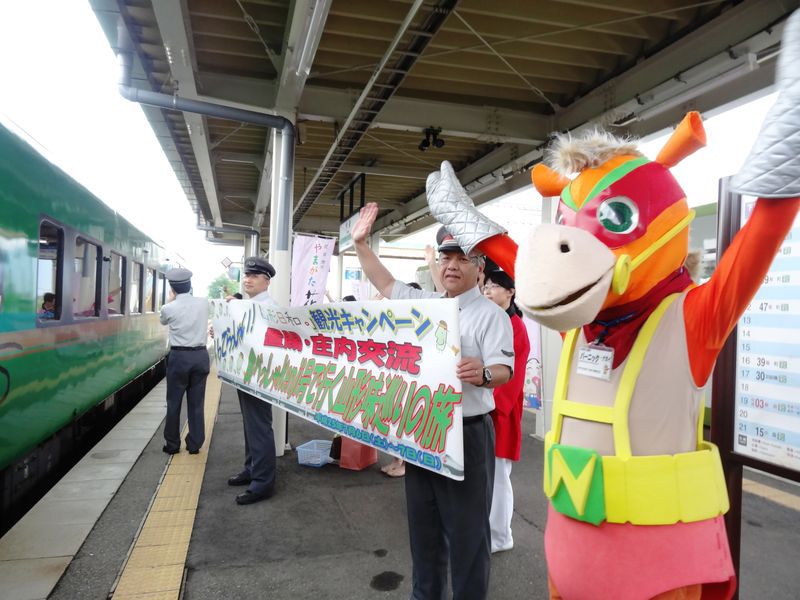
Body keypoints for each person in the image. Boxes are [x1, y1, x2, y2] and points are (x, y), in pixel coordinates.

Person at [352, 202, 514, 600]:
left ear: (479, 267)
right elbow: (386, 283)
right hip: (423, 431)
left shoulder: (491, 316)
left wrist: (484, 373)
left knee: (468, 535)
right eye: (446, 258)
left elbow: (504, 370)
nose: (452, 265)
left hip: (468, 433)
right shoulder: (423, 306)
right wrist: (360, 244)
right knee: (423, 530)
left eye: (463, 258)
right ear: (437, 264)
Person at [481, 267, 530, 553]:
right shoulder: (496, 321)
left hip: (499, 413)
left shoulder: (516, 327)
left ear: (510, 292)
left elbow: (513, 378)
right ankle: (489, 531)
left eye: (494, 286)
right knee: (487, 476)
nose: (488, 290)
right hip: (486, 409)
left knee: (498, 477)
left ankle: (500, 536)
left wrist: (489, 404)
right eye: (486, 285)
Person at [227, 256, 280, 505]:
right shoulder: (246, 306)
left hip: (259, 376)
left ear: (266, 282)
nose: (247, 279)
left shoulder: (268, 308)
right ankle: (251, 469)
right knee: (251, 426)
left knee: (259, 427)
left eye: (254, 276)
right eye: (246, 275)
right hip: (245, 374)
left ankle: (263, 483)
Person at [159, 268, 210, 455]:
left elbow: (163, 321)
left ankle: (172, 445)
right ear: (190, 286)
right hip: (200, 356)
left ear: (172, 289)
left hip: (179, 358)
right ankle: (195, 444)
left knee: (174, 402)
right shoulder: (204, 303)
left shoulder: (168, 308)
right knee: (197, 403)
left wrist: (171, 300)